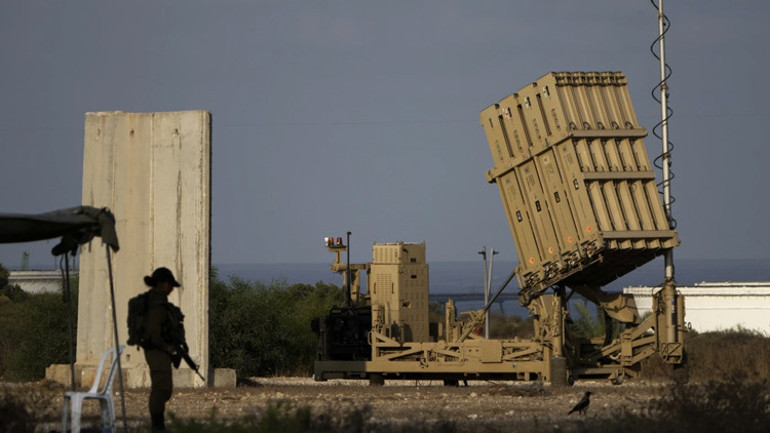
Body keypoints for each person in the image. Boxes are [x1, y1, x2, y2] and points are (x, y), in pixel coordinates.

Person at [142, 267, 182, 432]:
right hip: (156, 349)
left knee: (164, 387)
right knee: (161, 388)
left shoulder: (158, 301)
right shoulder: (156, 303)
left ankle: (158, 424)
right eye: (169, 284)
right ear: (161, 284)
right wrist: (166, 346)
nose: (171, 288)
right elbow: (155, 331)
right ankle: (157, 425)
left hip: (158, 348)